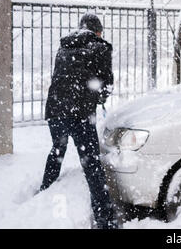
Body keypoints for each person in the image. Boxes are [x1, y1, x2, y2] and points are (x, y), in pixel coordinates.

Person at [40, 13, 117, 229]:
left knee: (57, 150)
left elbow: (63, 76)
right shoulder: (101, 47)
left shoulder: (64, 46)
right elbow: (106, 82)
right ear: (98, 31)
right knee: (91, 162)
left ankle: (44, 193)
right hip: (80, 112)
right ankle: (105, 220)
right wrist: (101, 96)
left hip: (55, 109)